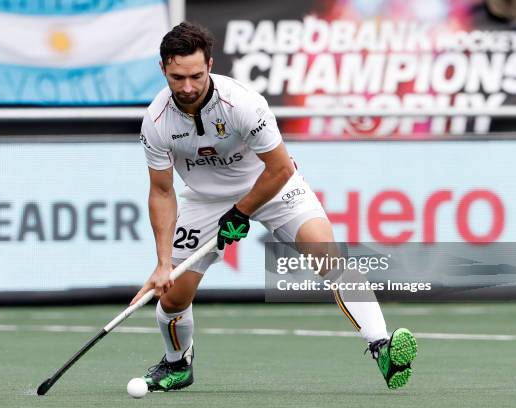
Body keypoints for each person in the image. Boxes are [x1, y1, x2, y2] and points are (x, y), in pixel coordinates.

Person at [132, 21, 417, 392]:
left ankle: (381, 345)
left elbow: (280, 168)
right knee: (172, 297)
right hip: (204, 199)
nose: (187, 87)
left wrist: (242, 211)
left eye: (196, 76)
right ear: (163, 69)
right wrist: (163, 262)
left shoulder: (244, 104)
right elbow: (161, 192)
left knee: (326, 253)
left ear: (210, 65)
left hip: (273, 185)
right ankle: (177, 364)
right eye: (177, 77)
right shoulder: (156, 122)